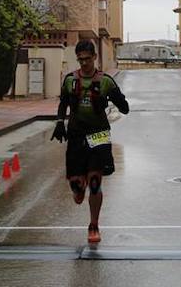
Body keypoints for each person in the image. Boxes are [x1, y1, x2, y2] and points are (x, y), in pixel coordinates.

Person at [51, 40, 129, 244]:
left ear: (95, 57)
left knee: (95, 182)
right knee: (77, 188)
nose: (84, 63)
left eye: (87, 59)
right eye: (80, 59)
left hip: (99, 133)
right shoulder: (70, 80)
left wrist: (116, 100)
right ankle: (78, 187)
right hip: (76, 134)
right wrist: (60, 122)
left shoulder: (106, 81)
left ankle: (94, 225)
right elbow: (63, 103)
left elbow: (124, 107)